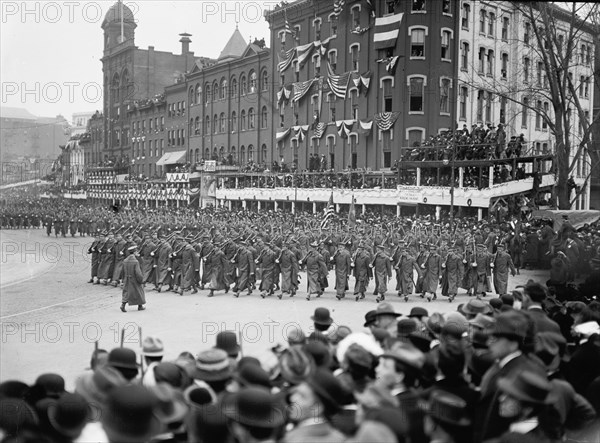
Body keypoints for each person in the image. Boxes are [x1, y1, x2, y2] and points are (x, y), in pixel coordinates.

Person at [121, 245, 147, 312]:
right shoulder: (135, 261)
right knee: (139, 291)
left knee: (126, 292)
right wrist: (141, 280)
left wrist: (123, 279)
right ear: (134, 252)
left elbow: (122, 271)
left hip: (127, 279)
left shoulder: (125, 260)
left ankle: (123, 305)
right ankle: (140, 306)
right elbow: (137, 272)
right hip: (134, 279)